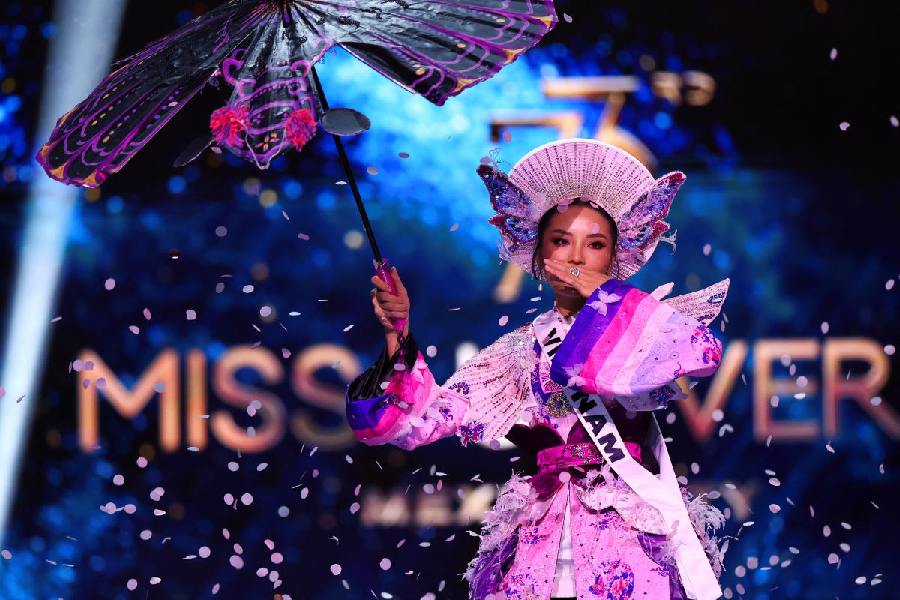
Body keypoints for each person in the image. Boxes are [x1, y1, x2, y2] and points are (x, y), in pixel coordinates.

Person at [346, 139, 730, 600]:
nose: (575, 257)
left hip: (628, 539)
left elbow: (701, 352)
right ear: (539, 254)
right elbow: (416, 422)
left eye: (595, 245)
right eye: (561, 241)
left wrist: (605, 303)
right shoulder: (514, 353)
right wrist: (398, 335)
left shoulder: (642, 324)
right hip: (537, 543)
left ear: (614, 257)